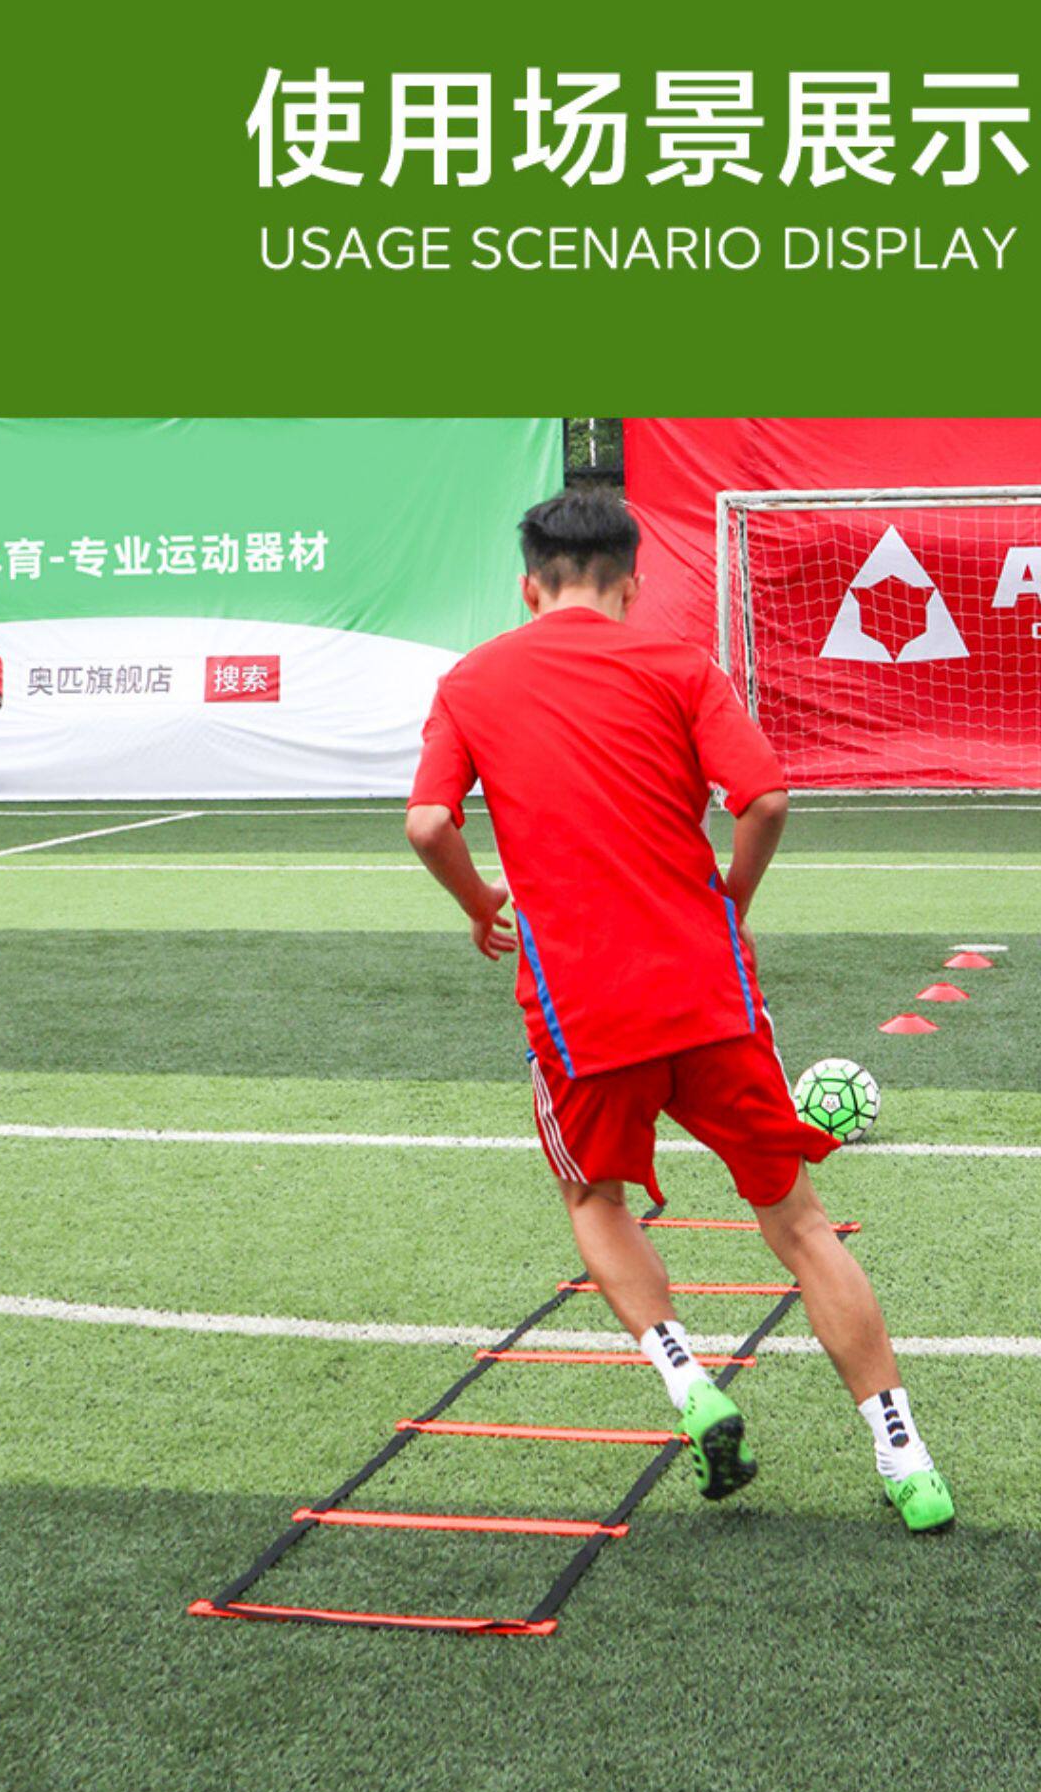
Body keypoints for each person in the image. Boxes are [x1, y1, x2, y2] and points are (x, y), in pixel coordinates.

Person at [405, 488, 953, 1531]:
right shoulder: (682, 665)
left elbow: (429, 822)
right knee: (798, 1223)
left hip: (583, 1012)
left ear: (529, 587)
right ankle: (905, 1455)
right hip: (709, 993)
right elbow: (768, 798)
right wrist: (731, 900)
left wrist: (481, 907)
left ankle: (688, 1380)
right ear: (632, 584)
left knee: (593, 1200)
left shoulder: (472, 681)